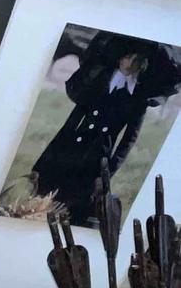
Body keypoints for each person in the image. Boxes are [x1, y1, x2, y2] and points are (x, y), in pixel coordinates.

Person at [32, 32, 181, 225]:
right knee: (46, 193)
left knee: (78, 205)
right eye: (128, 56)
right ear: (119, 56)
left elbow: (128, 140)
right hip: (69, 148)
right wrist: (47, 158)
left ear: (143, 64)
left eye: (136, 60)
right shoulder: (98, 81)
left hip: (96, 159)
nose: (130, 63)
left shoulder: (137, 99)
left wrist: (108, 172)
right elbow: (71, 120)